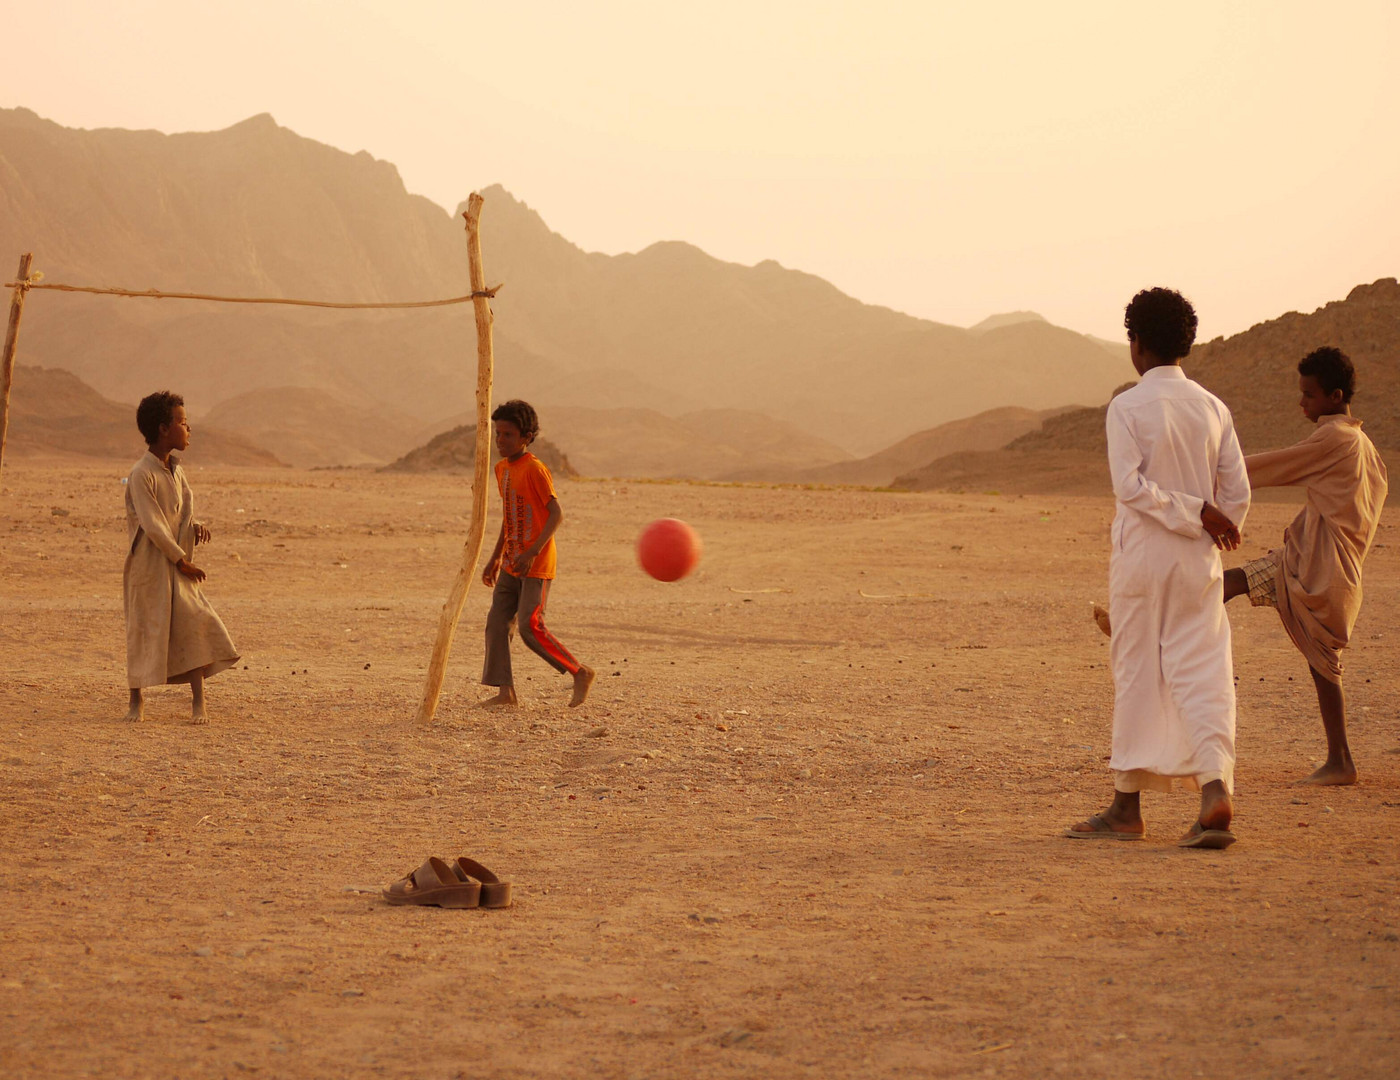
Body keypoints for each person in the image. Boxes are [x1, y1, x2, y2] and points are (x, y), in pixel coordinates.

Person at [1067, 288, 1250, 849]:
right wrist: (1205, 518)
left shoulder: (1126, 407)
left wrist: (1190, 509)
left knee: (1138, 669)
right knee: (1204, 672)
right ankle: (1214, 789)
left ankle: (1127, 807)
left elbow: (1129, 487)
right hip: (1199, 561)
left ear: (1136, 343)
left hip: (1144, 560)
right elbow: (1235, 497)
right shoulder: (1214, 408)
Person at [1223, 347, 1388, 785]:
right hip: (1319, 564)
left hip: (1321, 568)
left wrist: (1213, 470)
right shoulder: (1367, 448)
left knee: (1324, 663)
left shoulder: (1335, 438)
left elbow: (1277, 466)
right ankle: (1151, 621)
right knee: (1233, 581)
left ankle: (1341, 761)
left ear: (1334, 396)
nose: (1302, 403)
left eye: (1309, 395)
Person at [123, 391, 240, 724]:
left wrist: (194, 527)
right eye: (183, 423)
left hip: (176, 563)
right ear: (164, 429)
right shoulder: (141, 473)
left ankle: (198, 700)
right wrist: (180, 559)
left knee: (194, 623)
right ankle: (136, 700)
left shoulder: (177, 471)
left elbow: (181, 514)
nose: (189, 430)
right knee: (143, 628)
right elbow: (153, 523)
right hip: (150, 566)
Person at [479, 400, 594, 708]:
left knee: (531, 627)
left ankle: (579, 671)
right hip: (510, 563)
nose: (501, 441)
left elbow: (556, 513)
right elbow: (509, 517)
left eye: (508, 435)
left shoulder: (535, 469)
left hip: (536, 564)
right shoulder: (501, 469)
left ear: (526, 437)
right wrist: (494, 559)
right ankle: (506, 693)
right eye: (498, 434)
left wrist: (532, 551)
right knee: (496, 623)